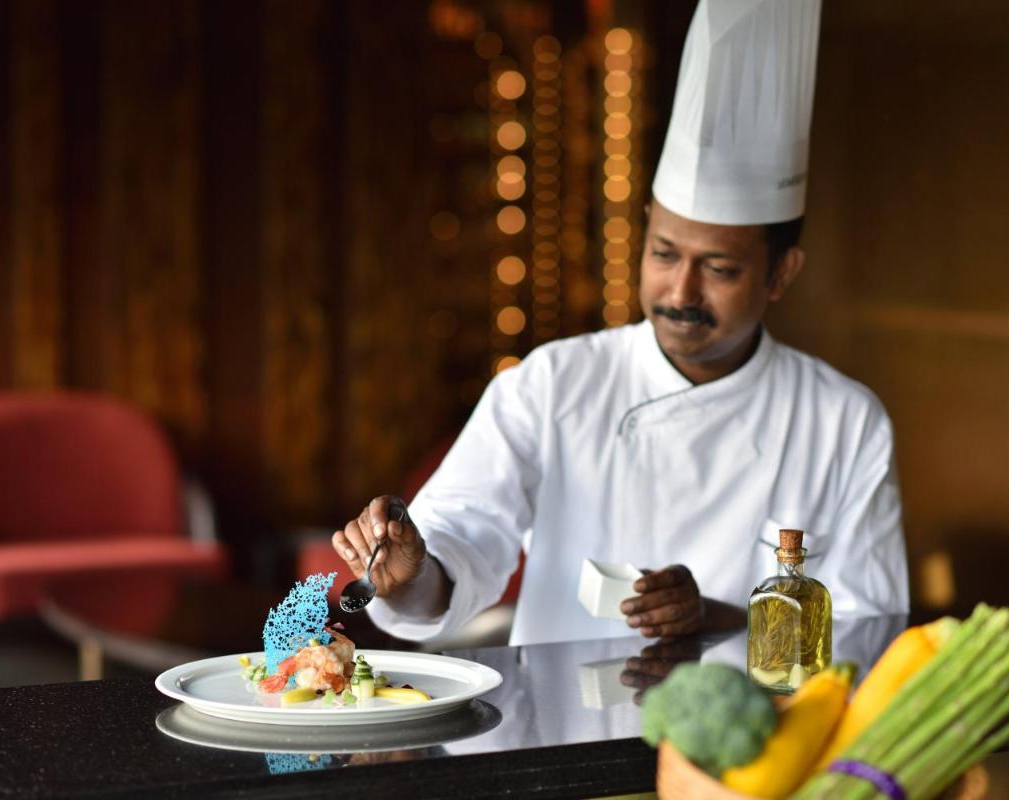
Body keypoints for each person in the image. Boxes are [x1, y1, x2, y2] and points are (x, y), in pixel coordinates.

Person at [332, 0, 908, 647]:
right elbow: (457, 551)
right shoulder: (553, 382)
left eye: (719, 268)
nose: (680, 291)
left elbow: (870, 633)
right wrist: (408, 574)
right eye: (663, 254)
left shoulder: (844, 421)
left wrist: (715, 617)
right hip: (557, 710)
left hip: (754, 715)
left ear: (781, 273)